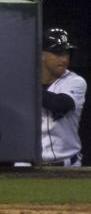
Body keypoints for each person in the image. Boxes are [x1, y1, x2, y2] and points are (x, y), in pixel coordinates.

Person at [41, 28, 86, 167]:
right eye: (57, 53)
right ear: (41, 54)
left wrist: (25, 86)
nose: (64, 59)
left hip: (67, 166)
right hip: (26, 167)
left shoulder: (75, 81)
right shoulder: (24, 80)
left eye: (66, 53)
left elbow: (60, 104)